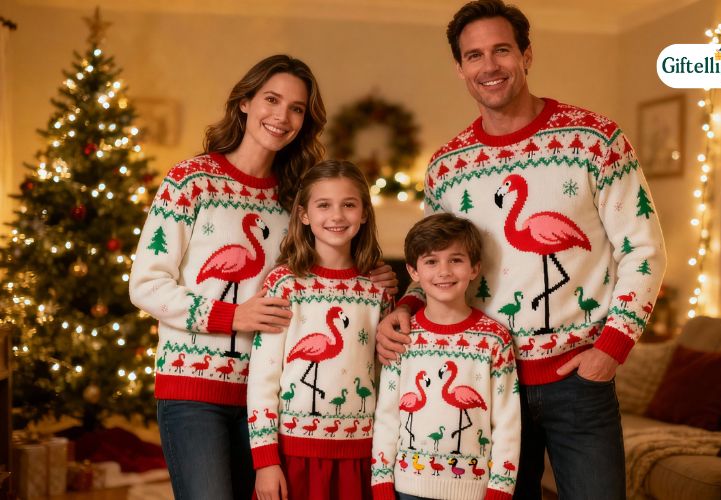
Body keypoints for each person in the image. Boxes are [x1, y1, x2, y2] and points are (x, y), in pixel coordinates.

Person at [376, 2, 666, 499]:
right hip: (484, 375)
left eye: (501, 50)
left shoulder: (593, 139)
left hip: (578, 377)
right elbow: (435, 263)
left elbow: (644, 249)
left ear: (527, 55)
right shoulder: (447, 166)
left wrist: (611, 348)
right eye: (474, 56)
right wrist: (404, 307)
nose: (489, 66)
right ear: (460, 68)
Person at [129, 56, 397, 500]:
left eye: (297, 108)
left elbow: (317, 271)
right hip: (196, 390)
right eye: (272, 100)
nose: (282, 116)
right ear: (244, 103)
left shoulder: (295, 196)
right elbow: (146, 285)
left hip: (273, 405)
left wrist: (371, 275)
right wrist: (233, 316)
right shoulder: (191, 181)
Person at [247, 159, 394, 500]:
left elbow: (385, 376)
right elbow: (263, 376)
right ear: (304, 215)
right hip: (293, 451)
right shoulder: (285, 283)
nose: (337, 216)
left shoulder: (376, 290)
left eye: (349, 204)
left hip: (359, 453)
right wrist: (265, 461)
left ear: (364, 213)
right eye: (324, 205)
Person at [371, 213, 520, 500]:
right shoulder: (402, 336)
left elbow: (507, 423)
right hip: (406, 489)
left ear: (475, 268)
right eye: (431, 261)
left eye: (455, 260)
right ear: (413, 272)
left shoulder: (494, 340)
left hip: (473, 491)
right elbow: (387, 417)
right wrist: (381, 485)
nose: (444, 271)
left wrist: (499, 491)